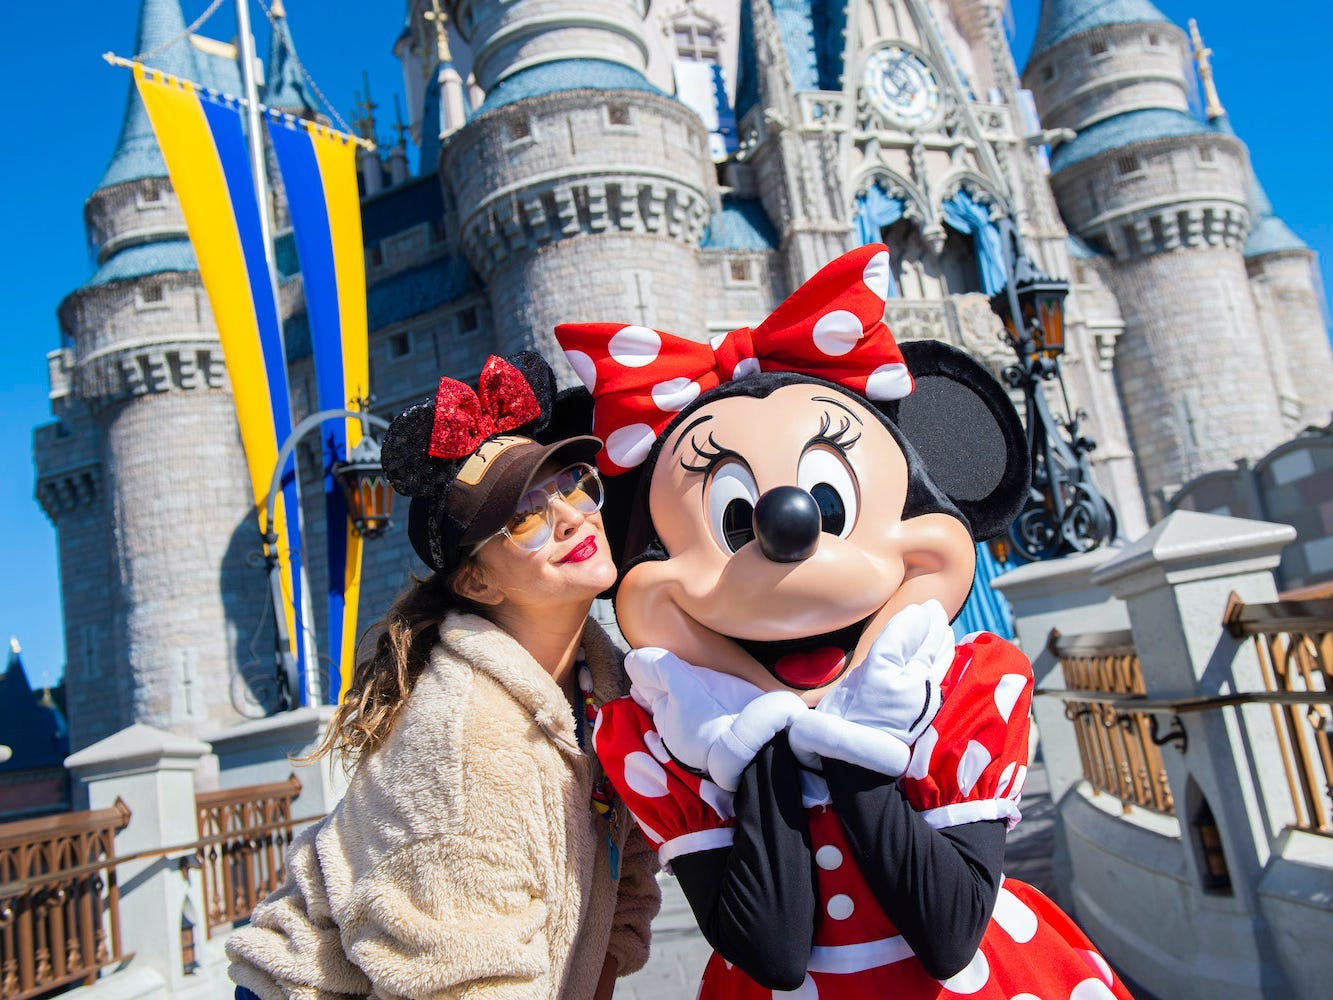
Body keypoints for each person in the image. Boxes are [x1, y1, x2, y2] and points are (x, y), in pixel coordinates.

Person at [226, 352, 660, 1000]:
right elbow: (455, 982)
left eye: (570, 480)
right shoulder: (466, 741)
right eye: (523, 517)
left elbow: (624, 887)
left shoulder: (607, 692)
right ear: (476, 580)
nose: (571, 514)